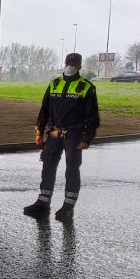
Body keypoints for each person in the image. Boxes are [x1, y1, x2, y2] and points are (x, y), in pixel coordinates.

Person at [23, 53, 100, 220]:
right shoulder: (54, 84)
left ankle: (68, 206)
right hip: (54, 132)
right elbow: (43, 111)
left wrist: (87, 139)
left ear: (79, 66)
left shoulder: (86, 87)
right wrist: (39, 134)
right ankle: (42, 203)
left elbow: (93, 117)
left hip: (74, 133)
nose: (70, 65)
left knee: (72, 168)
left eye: (74, 63)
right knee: (48, 166)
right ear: (65, 63)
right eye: (68, 62)